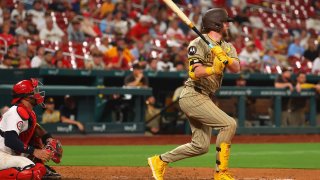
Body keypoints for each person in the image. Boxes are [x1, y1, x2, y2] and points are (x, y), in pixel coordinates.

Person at [147, 8, 240, 180]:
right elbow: (195, 72)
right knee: (229, 124)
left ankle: (159, 161)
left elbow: (236, 68)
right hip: (192, 95)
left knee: (201, 146)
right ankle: (221, 173)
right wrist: (214, 68)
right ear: (217, 24)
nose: (228, 25)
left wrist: (224, 58)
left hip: (204, 97)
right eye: (225, 22)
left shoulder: (227, 46)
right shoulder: (197, 43)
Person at [0, 78, 62, 179]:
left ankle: (41, 170)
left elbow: (36, 129)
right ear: (27, 97)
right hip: (1, 154)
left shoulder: (29, 112)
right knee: (30, 172)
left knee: (36, 143)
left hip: (9, 153)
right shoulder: (15, 112)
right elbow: (10, 140)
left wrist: (48, 139)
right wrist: (34, 152)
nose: (38, 93)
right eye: (34, 91)